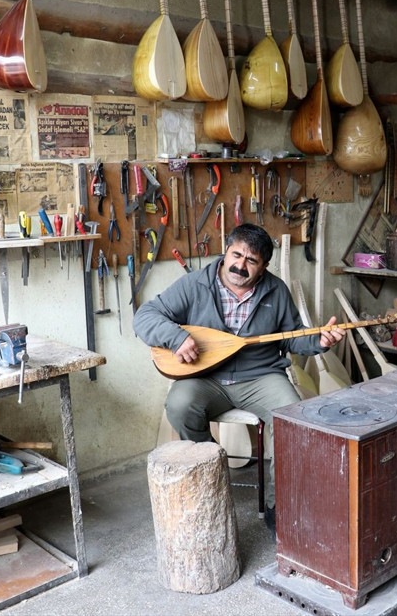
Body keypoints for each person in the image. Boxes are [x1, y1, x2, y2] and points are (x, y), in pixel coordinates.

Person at [133, 223, 344, 535]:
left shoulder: (276, 291)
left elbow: (292, 339)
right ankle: (211, 473)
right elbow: (146, 316)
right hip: (207, 376)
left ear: (264, 267)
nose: (240, 265)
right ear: (226, 250)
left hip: (260, 376)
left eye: (251, 261)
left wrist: (320, 342)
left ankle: (280, 505)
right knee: (179, 404)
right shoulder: (195, 285)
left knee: (290, 417)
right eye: (236, 255)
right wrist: (175, 338)